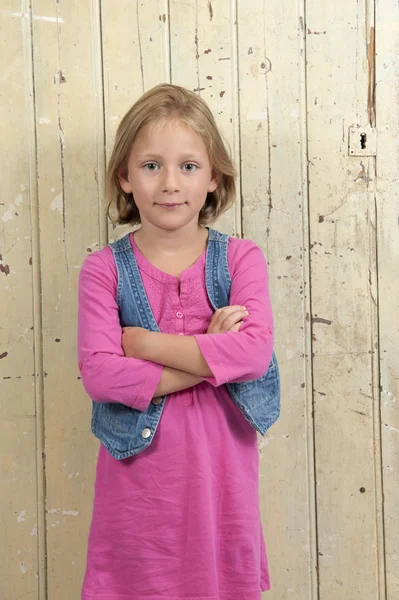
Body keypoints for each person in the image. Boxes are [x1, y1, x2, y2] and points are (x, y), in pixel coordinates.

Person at [77, 83, 275, 599]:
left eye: (188, 166)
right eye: (150, 166)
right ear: (125, 175)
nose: (169, 183)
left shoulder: (239, 260)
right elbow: (100, 374)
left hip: (222, 489)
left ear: (214, 177)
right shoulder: (105, 271)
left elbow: (253, 353)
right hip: (139, 497)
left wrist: (144, 344)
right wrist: (210, 354)